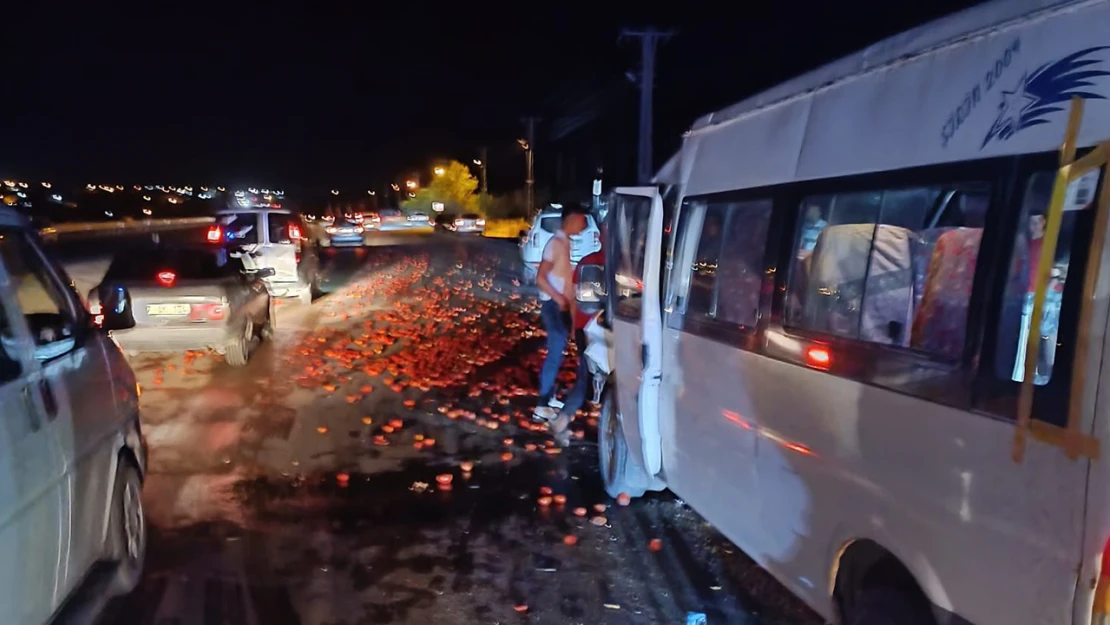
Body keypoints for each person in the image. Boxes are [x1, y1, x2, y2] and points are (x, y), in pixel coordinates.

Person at [533, 202, 590, 422]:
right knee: (555, 352)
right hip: (553, 306)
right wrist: (558, 299)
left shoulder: (563, 244)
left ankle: (549, 397)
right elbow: (540, 277)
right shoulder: (555, 244)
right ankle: (541, 405)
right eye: (582, 221)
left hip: (561, 306)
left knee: (558, 351)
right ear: (572, 219)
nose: (584, 226)